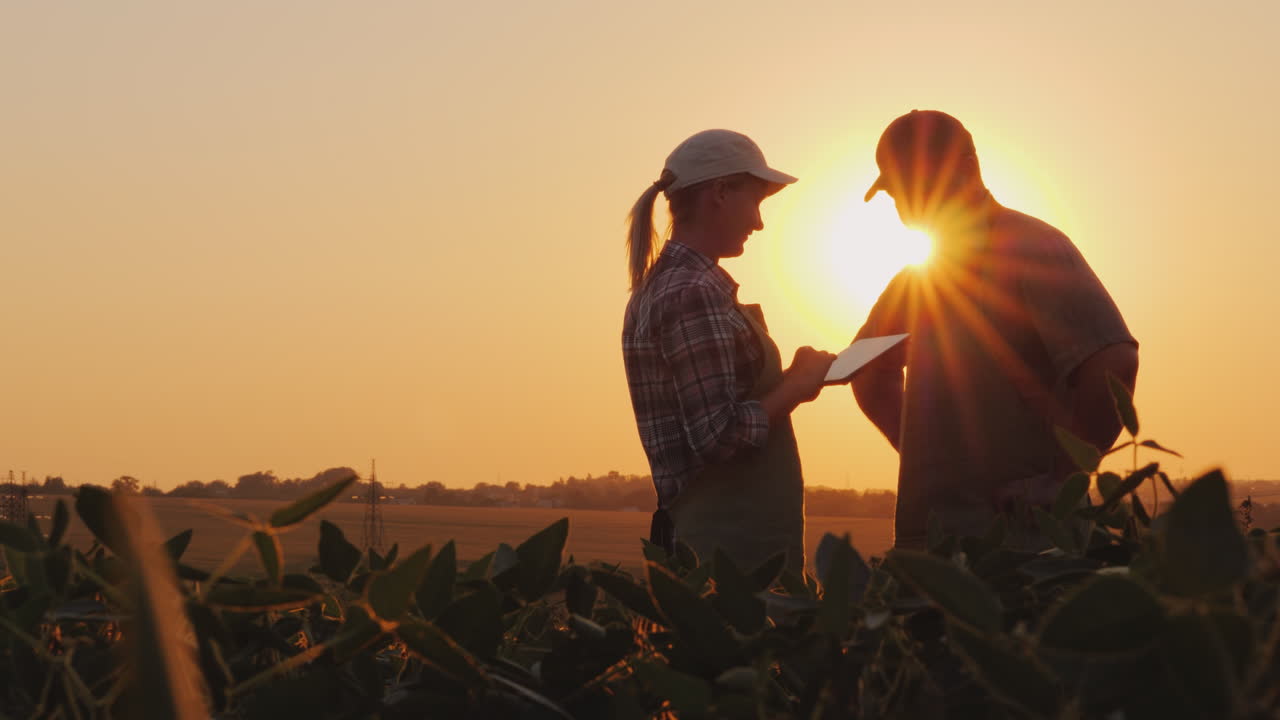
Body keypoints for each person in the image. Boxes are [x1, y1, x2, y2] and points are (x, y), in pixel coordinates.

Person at [852, 110, 1139, 549]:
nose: (906, 203)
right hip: (935, 547)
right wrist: (931, 463)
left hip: (1026, 546)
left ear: (967, 169)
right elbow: (870, 375)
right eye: (896, 192)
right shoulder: (916, 279)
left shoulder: (1031, 247)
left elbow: (1114, 360)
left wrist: (1063, 479)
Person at [622, 129, 835, 571]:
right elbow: (718, 435)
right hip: (729, 559)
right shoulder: (692, 292)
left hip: (709, 544)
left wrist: (794, 379)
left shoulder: (662, 287)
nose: (759, 222)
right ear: (720, 193)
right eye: (755, 202)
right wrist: (796, 385)